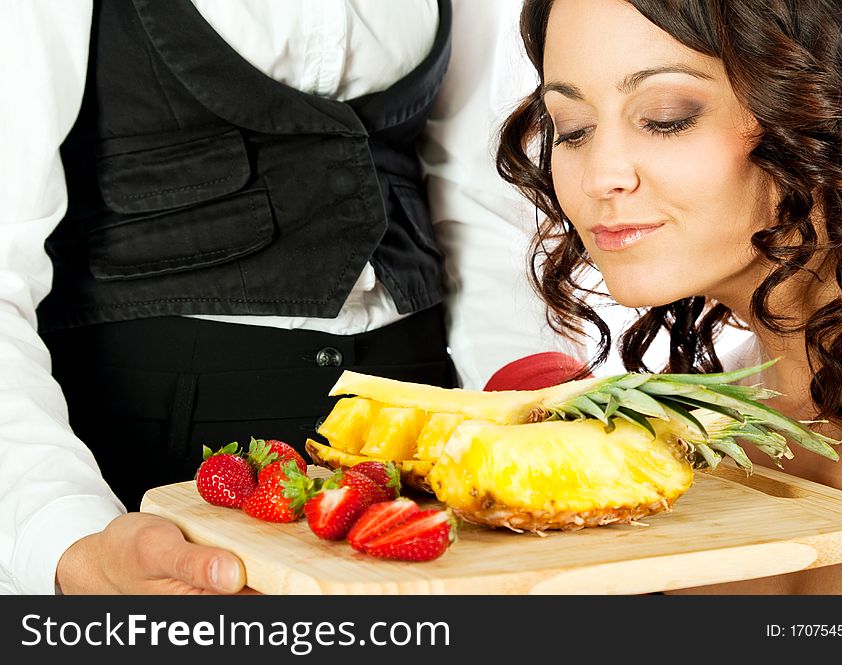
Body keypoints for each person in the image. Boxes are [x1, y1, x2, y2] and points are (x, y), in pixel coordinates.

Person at [0, 0, 582, 595]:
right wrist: (66, 535)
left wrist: (535, 401)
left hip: (421, 411)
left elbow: (480, 190)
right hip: (160, 433)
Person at [496, 0, 842, 594]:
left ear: (828, 109)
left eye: (666, 117)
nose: (600, 177)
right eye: (572, 128)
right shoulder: (690, 433)